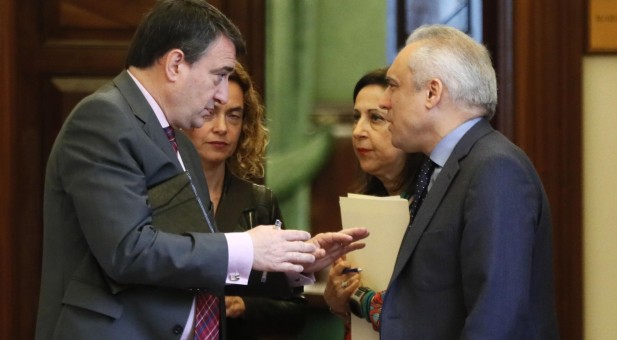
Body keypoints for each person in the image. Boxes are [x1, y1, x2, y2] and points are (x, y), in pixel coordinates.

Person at [35, 1, 367, 339]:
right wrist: (248, 248)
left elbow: (191, 256)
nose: (222, 95)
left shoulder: (177, 141)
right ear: (176, 64)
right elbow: (128, 251)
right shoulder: (103, 119)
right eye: (219, 75)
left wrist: (291, 260)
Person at [377, 24, 559, 339]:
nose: (384, 102)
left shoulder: (495, 169)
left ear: (432, 93)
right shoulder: (443, 167)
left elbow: (496, 320)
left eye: (393, 85)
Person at [184, 61, 306, 339]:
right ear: (184, 117)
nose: (222, 127)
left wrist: (245, 306)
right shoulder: (156, 197)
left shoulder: (259, 202)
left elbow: (294, 310)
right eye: (210, 112)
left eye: (234, 116)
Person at [323, 68, 425, 336]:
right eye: (356, 117)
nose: (358, 131)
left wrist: (359, 296)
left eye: (376, 118)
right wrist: (336, 298)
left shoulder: (431, 207)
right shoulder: (365, 206)